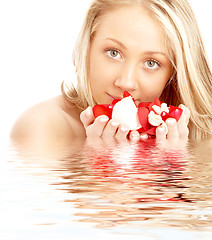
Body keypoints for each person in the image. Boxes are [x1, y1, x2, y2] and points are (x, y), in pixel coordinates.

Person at [10, 0, 212, 147]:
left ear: (174, 76)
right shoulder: (40, 129)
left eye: (151, 63)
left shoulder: (202, 134)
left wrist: (168, 169)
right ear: (87, 46)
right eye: (113, 53)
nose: (126, 82)